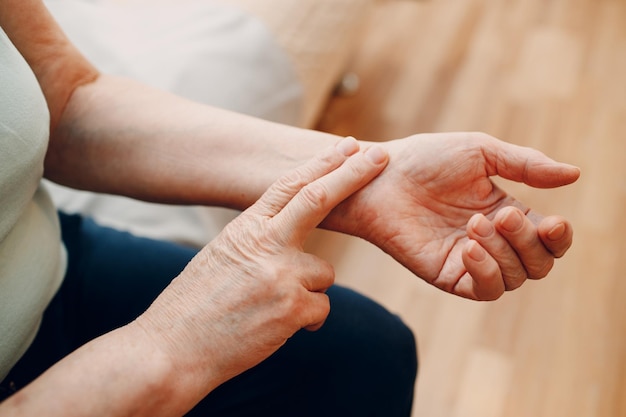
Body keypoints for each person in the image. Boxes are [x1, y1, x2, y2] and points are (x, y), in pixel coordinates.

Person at [0, 0, 580, 416]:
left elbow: (66, 100)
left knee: (367, 355)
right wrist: (169, 348)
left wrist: (369, 178)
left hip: (35, 258)